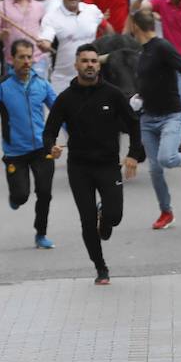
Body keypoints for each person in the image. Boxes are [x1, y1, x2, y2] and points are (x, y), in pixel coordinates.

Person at [42, 42, 144, 285]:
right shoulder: (65, 99)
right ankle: (101, 268)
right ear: (76, 65)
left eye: (94, 61)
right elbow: (49, 131)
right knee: (87, 222)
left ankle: (105, 215)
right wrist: (51, 148)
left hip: (108, 166)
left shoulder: (113, 94)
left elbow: (133, 124)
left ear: (99, 65)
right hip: (79, 169)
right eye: (85, 61)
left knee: (114, 217)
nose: (90, 65)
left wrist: (133, 154)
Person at [0, 39, 58, 248]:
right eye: (21, 57)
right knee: (21, 195)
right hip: (15, 152)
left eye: (29, 57)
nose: (26, 61)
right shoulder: (0, 87)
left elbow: (61, 112)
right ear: (11, 59)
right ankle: (15, 198)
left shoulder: (41, 84)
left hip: (42, 149)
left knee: (44, 193)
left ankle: (40, 234)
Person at [128, 9, 181, 231]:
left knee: (167, 158)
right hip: (147, 118)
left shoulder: (162, 47)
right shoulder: (142, 52)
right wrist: (137, 98)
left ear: (135, 26)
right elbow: (148, 82)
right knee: (155, 169)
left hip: (170, 115)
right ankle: (166, 212)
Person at [37, 0, 105, 92]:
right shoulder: (51, 17)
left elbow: (105, 28)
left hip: (92, 78)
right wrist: (44, 45)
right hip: (62, 80)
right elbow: (46, 40)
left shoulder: (93, 11)